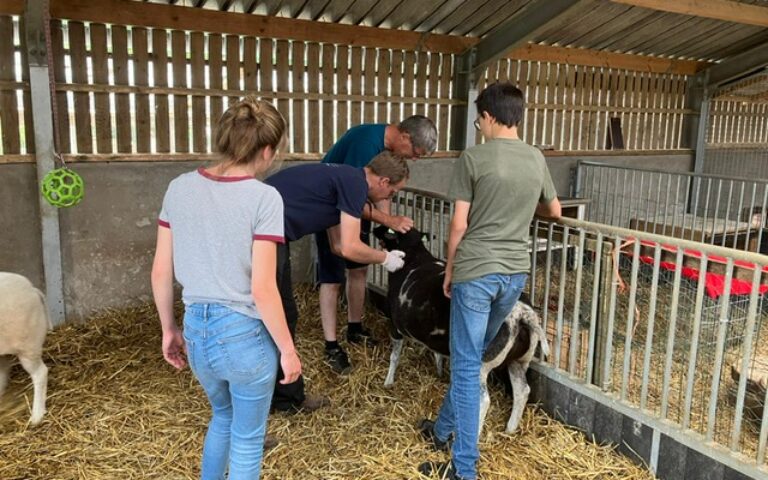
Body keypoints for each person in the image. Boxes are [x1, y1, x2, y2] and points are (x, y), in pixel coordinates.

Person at [416, 83, 562, 480]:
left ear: (492, 116)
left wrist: (449, 269)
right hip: (514, 273)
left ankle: (464, 469)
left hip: (477, 272)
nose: (479, 124)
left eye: (480, 117)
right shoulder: (535, 158)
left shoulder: (473, 158)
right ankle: (442, 430)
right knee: (473, 354)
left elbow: (458, 224)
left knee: (464, 366)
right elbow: (555, 209)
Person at [151, 96, 301, 479]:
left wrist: (170, 328)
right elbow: (264, 288)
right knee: (249, 438)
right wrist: (288, 350)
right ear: (267, 150)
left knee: (222, 418)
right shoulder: (264, 198)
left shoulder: (178, 188)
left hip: (197, 331)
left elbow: (160, 271)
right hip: (243, 333)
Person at [265, 151, 410, 409]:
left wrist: (386, 225)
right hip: (262, 233)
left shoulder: (344, 178)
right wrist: (384, 258)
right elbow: (350, 247)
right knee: (278, 315)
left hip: (271, 233)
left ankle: (285, 396)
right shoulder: (354, 185)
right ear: (384, 182)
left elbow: (337, 245)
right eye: (393, 192)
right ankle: (276, 398)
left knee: (284, 313)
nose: (390, 198)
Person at [317, 115, 437, 374]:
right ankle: (331, 345)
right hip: (331, 209)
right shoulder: (365, 143)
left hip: (356, 210)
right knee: (333, 276)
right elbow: (347, 193)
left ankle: (355, 328)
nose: (414, 159)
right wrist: (387, 219)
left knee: (359, 267)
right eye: (416, 153)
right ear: (405, 137)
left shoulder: (388, 151)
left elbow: (383, 192)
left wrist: (391, 224)